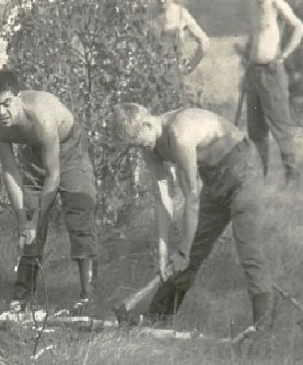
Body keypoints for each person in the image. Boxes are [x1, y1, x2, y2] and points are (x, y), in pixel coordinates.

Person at [109, 103, 274, 330]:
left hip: (244, 171)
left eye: (140, 142)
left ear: (147, 124)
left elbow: (191, 196)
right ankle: (155, 320)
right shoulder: (150, 146)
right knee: (190, 252)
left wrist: (183, 250)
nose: (142, 148)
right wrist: (163, 252)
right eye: (136, 146)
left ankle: (263, 329)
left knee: (248, 249)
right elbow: (162, 199)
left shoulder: (180, 132)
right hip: (215, 181)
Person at [0, 68, 99, 313]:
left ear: (18, 97)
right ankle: (22, 296)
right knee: (29, 221)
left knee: (80, 212)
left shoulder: (41, 116)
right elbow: (10, 171)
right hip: (34, 153)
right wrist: (24, 220)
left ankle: (88, 296)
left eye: (6, 103)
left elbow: (54, 175)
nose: (2, 112)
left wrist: (36, 219)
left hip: (69, 151)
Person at [240, 0, 303, 182]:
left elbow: (299, 28)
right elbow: (255, 39)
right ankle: (262, 176)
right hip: (254, 73)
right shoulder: (252, 7)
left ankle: (292, 175)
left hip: (271, 71)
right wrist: (247, 69)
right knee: (255, 128)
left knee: (280, 123)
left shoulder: (275, 2)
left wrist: (283, 56)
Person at [152, 0, 210, 73]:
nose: (161, 0)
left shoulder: (181, 14)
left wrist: (190, 67)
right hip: (151, 73)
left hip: (174, 72)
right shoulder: (148, 14)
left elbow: (204, 41)